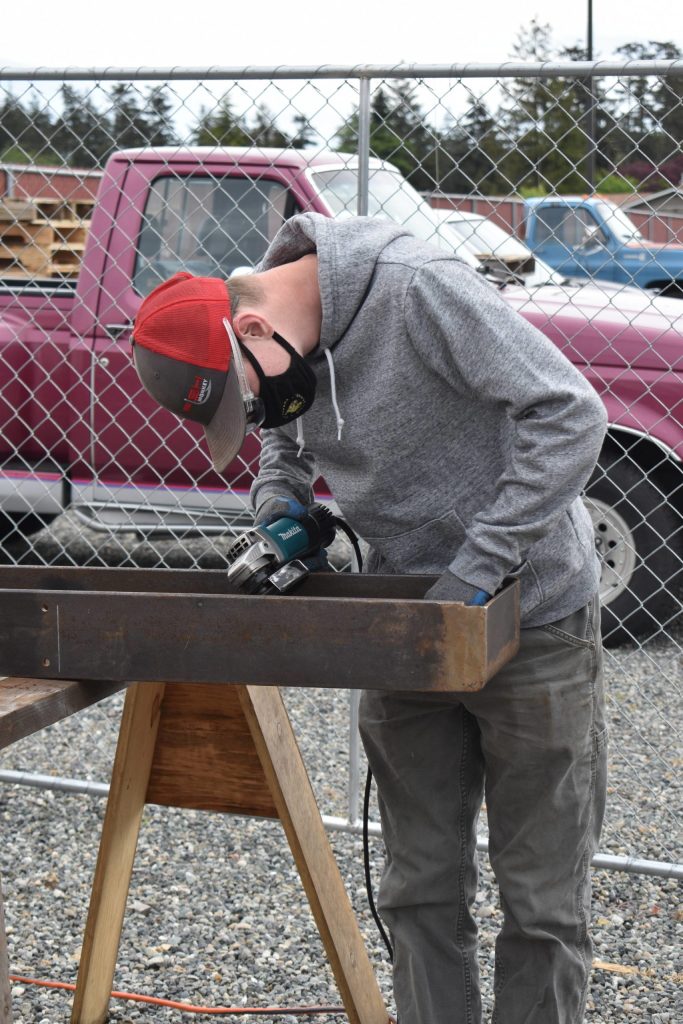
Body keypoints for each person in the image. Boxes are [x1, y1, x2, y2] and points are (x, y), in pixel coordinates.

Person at [131, 212, 608, 1024]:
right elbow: (284, 436)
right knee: (417, 886)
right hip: (406, 627)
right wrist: (279, 504)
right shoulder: (277, 336)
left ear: (248, 324)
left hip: (535, 617)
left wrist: (476, 568)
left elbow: (570, 413)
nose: (260, 415)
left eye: (247, 397)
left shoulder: (418, 290)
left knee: (541, 900)